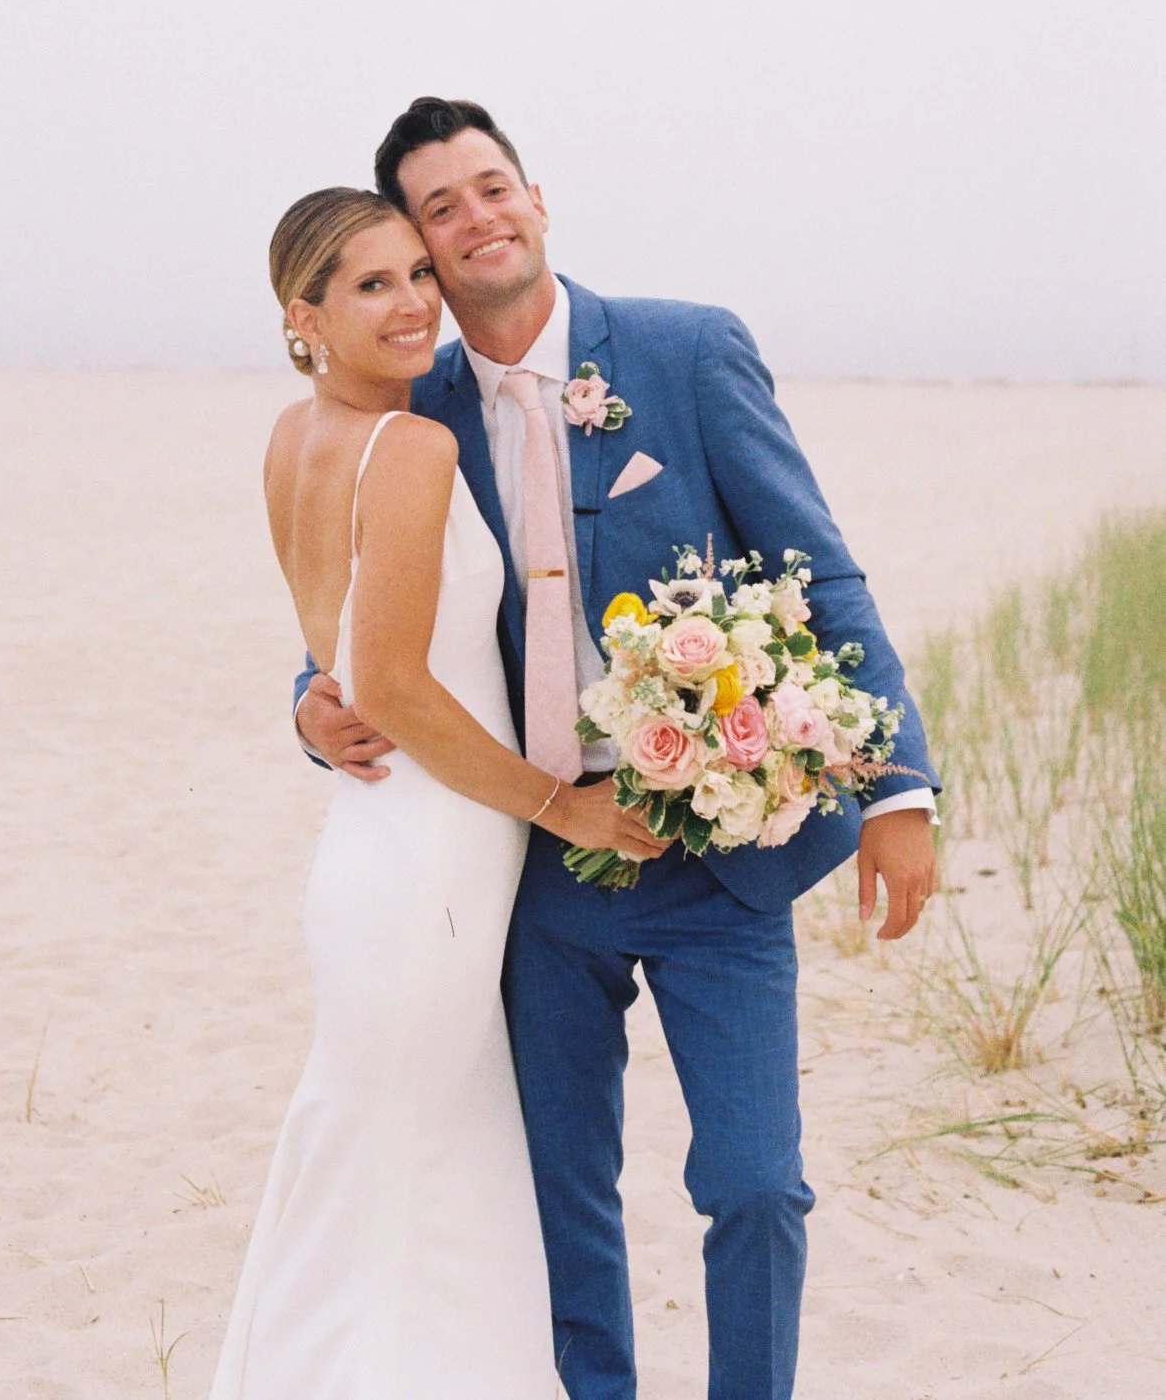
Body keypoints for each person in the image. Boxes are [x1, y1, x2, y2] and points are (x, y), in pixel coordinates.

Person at [295, 99, 940, 1400]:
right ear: (413, 244)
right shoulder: (411, 410)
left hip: (720, 856)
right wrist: (314, 696)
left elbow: (813, 566)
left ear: (536, 198)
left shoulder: (685, 351)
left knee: (757, 1183)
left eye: (493, 187)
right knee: (560, 1187)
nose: (476, 217)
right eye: (440, 207)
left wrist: (898, 787)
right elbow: (359, 599)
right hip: (531, 862)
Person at [210, 188, 664, 1400]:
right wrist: (560, 805)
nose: (414, 303)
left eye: (417, 273)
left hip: (370, 847)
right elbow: (399, 690)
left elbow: (339, 660)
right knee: (407, 1148)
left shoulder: (289, 437)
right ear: (302, 314)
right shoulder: (412, 447)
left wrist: (315, 699)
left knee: (382, 1143)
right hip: (432, 862)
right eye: (371, 285)